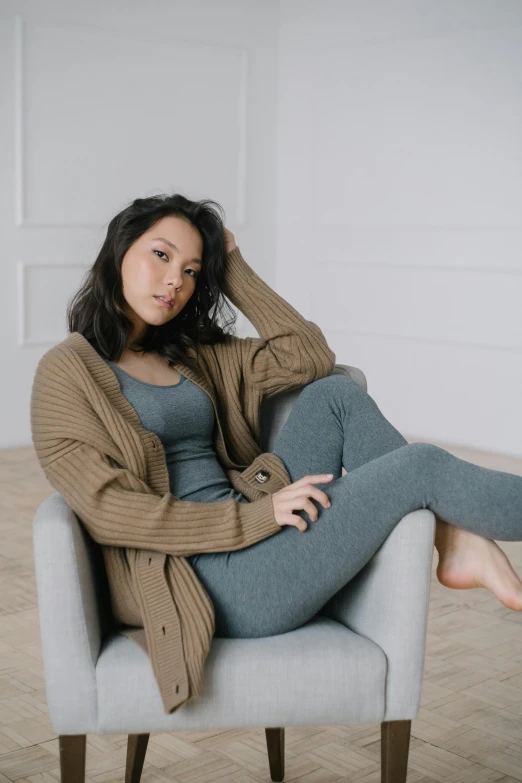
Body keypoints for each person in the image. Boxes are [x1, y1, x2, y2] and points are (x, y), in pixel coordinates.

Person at [30, 192, 522, 715]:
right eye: (161, 255)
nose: (176, 279)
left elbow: (308, 355)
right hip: (214, 581)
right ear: (118, 251)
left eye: (193, 269)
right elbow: (113, 513)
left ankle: (453, 536)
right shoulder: (67, 373)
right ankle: (457, 535)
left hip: (258, 525)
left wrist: (233, 266)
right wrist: (256, 519)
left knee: (334, 394)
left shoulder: (192, 354)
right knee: (419, 466)